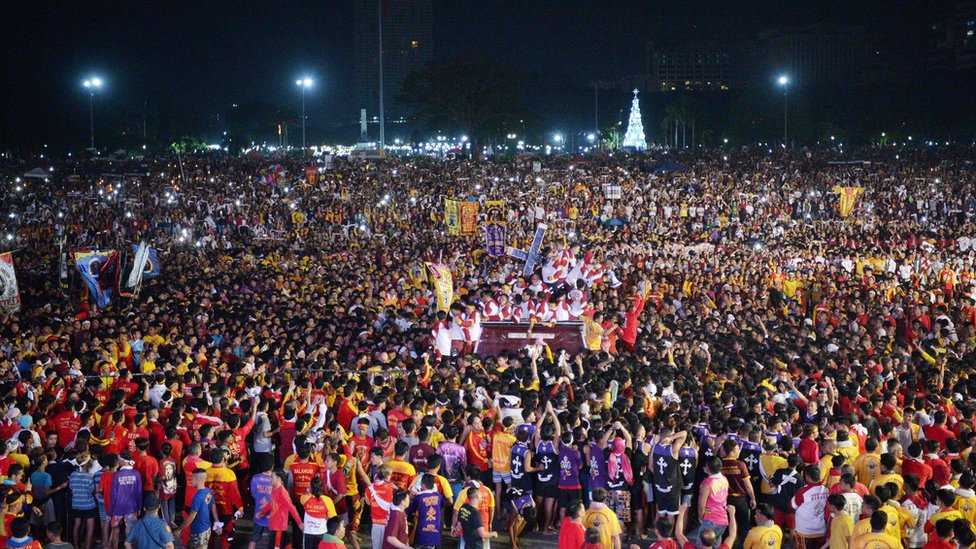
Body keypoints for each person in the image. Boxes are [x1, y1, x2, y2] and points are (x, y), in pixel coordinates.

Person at [258, 470, 304, 549]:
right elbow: (271, 502)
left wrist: (300, 523)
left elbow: (292, 508)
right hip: (274, 525)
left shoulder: (282, 493)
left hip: (278, 528)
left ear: (278, 479)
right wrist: (263, 511)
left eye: (272, 477)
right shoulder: (274, 488)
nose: (270, 480)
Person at [172, 469, 217, 549]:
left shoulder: (197, 496)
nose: (190, 480)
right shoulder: (208, 491)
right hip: (206, 528)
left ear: (198, 479)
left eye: (192, 478)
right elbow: (213, 506)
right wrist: (216, 521)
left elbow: (192, 516)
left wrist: (179, 529)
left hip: (198, 532)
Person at [406, 474, 446, 549]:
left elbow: (407, 510)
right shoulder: (439, 496)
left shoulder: (419, 498)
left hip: (422, 534)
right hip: (434, 534)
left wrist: (410, 498)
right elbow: (443, 504)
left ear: (423, 484)